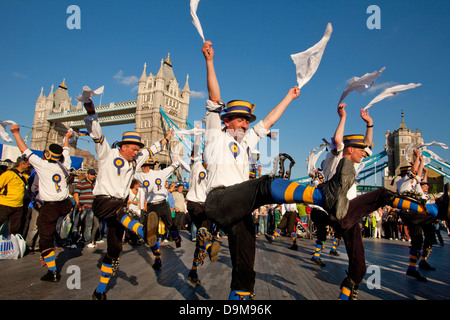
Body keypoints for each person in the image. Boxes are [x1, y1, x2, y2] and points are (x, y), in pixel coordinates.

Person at [201, 40, 362, 300]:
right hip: (220, 199)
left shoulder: (246, 143)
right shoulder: (214, 135)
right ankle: (323, 196)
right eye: (240, 119)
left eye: (246, 121)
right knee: (265, 184)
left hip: (240, 206)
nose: (244, 124)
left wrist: (289, 96)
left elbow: (269, 121)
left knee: (245, 264)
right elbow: (214, 97)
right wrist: (209, 61)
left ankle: (240, 299)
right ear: (226, 120)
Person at [81, 97, 173, 300]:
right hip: (104, 201)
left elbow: (152, 149)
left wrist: (166, 139)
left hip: (120, 205)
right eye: (133, 149)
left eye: (137, 149)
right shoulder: (107, 154)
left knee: (115, 249)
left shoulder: (135, 160)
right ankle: (143, 231)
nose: (136, 152)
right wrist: (90, 111)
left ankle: (99, 291)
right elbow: (97, 133)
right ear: (123, 147)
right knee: (123, 212)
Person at [10, 124, 73, 282]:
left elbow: (24, 150)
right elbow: (66, 150)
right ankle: (48, 253)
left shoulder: (42, 165)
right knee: (51, 232)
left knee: (45, 237)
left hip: (50, 206)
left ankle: (51, 270)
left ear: (46, 154)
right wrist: (67, 138)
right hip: (65, 204)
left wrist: (16, 133)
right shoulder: (65, 165)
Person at [134, 158, 181, 270]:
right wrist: (177, 161)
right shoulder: (159, 173)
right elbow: (174, 166)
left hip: (157, 205)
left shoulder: (146, 175)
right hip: (157, 205)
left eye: (143, 167)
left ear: (145, 167)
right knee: (157, 230)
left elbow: (130, 171)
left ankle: (172, 243)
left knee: (161, 228)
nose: (142, 169)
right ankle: (160, 254)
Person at [185, 135, 220, 285]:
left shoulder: (214, 171)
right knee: (202, 230)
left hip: (207, 206)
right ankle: (210, 246)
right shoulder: (196, 164)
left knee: (200, 241)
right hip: (193, 202)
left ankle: (193, 271)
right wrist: (198, 137)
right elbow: (194, 153)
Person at [0, 155, 31, 236]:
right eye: (27, 163)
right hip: (5, 204)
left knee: (14, 229)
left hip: (18, 206)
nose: (29, 165)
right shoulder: (8, 174)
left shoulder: (25, 176)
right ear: (21, 164)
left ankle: (11, 245)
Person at [71, 168, 96, 248]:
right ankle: (74, 242)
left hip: (91, 208)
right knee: (77, 224)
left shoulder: (94, 185)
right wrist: (78, 205)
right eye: (91, 174)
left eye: (94, 174)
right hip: (82, 207)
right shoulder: (81, 183)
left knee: (88, 226)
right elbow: (76, 194)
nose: (93, 176)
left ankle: (86, 241)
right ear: (87, 174)